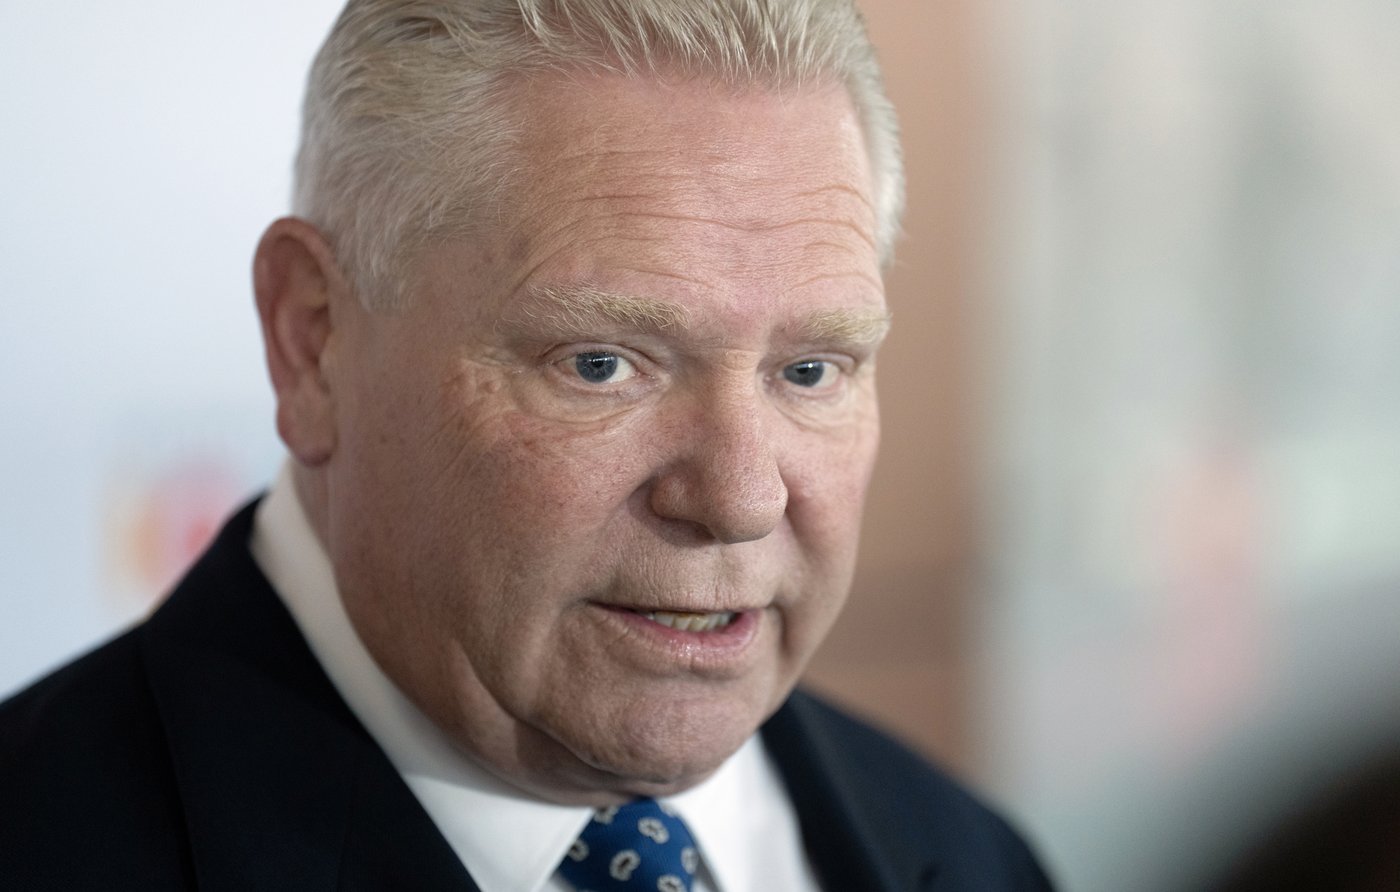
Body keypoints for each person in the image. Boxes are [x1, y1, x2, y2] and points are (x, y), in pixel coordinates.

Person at [0, 1, 1053, 889]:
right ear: (313, 338)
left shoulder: (971, 855)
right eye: (600, 363)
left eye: (810, 371)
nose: (737, 497)